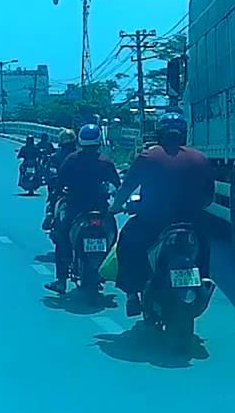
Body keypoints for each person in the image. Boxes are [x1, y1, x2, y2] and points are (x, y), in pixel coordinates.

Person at [110, 110, 213, 317]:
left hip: (152, 223)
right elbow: (208, 197)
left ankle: (132, 294)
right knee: (204, 247)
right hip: (191, 223)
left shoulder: (148, 156)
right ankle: (203, 280)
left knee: (127, 242)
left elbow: (127, 187)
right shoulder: (200, 158)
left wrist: (115, 207)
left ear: (159, 133)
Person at [46, 124, 121, 294]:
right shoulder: (105, 161)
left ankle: (61, 281)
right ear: (98, 142)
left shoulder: (72, 159)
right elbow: (117, 185)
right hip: (100, 208)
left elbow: (59, 183)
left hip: (76, 208)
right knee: (112, 233)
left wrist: (57, 193)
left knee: (62, 238)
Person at [42, 129, 78, 230]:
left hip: (63, 187)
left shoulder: (56, 156)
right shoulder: (81, 155)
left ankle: (50, 212)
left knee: (53, 196)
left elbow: (50, 174)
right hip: (75, 188)